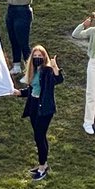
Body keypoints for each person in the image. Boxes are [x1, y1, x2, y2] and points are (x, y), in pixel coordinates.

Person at [19, 46, 62, 181]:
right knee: (39, 137)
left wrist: (55, 68)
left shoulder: (47, 71)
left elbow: (59, 80)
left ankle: (42, 167)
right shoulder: (34, 71)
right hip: (33, 107)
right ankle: (42, 164)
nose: (37, 58)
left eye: (40, 56)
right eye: (35, 56)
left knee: (39, 137)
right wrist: (19, 93)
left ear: (44, 57)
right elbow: (32, 89)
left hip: (44, 109)